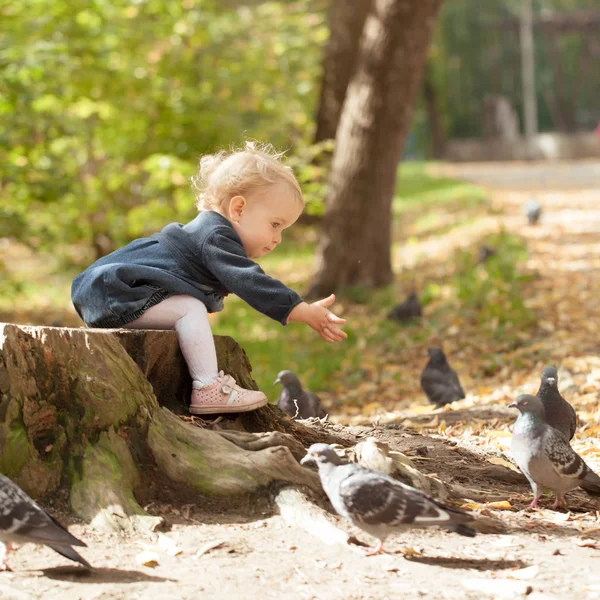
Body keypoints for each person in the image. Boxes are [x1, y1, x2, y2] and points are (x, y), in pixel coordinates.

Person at [71, 142, 347, 415]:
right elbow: (247, 278)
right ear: (238, 209)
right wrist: (299, 309)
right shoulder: (215, 234)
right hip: (113, 291)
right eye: (275, 224)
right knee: (190, 309)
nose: (278, 238)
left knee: (186, 310)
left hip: (112, 295)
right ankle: (208, 388)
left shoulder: (211, 235)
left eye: (283, 230)